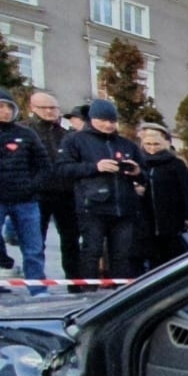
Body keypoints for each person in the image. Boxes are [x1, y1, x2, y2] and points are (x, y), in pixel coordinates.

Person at [55, 99, 144, 280]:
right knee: (91, 251)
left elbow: (144, 174)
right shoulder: (75, 140)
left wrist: (136, 172)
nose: (108, 125)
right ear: (92, 119)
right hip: (92, 206)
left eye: (112, 121)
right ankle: (89, 291)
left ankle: (120, 294)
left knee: (121, 255)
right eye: (103, 120)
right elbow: (62, 169)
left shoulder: (127, 144)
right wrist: (96, 167)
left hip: (124, 208)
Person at [0, 89, 50, 294]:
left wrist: (32, 187)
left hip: (26, 201)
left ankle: (38, 290)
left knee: (33, 248)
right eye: (0, 107)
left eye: (8, 107)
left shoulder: (26, 134)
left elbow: (44, 166)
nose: (4, 111)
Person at [24, 91, 80, 276]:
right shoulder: (26, 132)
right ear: (33, 108)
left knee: (71, 239)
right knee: (35, 241)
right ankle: (36, 280)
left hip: (67, 193)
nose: (50, 111)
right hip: (38, 193)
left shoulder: (67, 135)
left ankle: (74, 280)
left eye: (53, 108)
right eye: (44, 108)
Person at [134, 124, 188, 270]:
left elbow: (185, 190)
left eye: (156, 144)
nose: (152, 148)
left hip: (171, 222)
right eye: (148, 144)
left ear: (166, 143)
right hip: (145, 222)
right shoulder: (138, 164)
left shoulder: (176, 164)